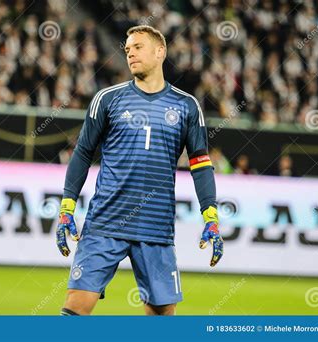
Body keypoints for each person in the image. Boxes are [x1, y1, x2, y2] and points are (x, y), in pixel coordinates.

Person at [56, 25, 224, 316]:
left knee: (161, 316)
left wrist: (211, 216)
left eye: (137, 47)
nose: (130, 53)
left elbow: (200, 164)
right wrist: (66, 206)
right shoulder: (107, 99)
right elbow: (82, 153)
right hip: (105, 221)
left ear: (160, 52)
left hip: (156, 226)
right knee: (77, 306)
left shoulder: (186, 106)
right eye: (127, 49)